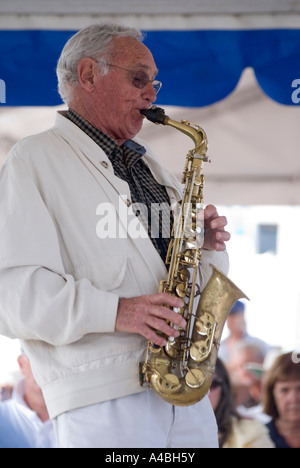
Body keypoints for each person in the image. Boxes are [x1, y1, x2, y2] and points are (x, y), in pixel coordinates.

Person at [0, 23, 230, 448]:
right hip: (104, 399)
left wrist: (208, 253)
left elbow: (176, 279)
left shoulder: (152, 165)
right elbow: (12, 295)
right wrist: (117, 311)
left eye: (154, 82)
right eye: (138, 78)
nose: (152, 93)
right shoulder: (33, 159)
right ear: (88, 75)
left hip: (186, 389)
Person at [209, 358, 274, 448]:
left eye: (211, 384)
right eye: (192, 385)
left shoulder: (251, 433)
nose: (204, 393)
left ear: (224, 388)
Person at [0, 353, 57, 448]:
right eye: (38, 358)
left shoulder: (85, 419)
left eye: (55, 358)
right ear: (22, 364)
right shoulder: (2, 417)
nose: (47, 367)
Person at [263, 352, 300, 448]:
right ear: (272, 394)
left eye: (299, 388)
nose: (293, 398)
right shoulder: (258, 437)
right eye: (285, 390)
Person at [219, 301, 271, 365]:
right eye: (228, 316)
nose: (230, 320)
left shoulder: (258, 344)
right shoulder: (219, 348)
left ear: (242, 316)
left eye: (234, 315)